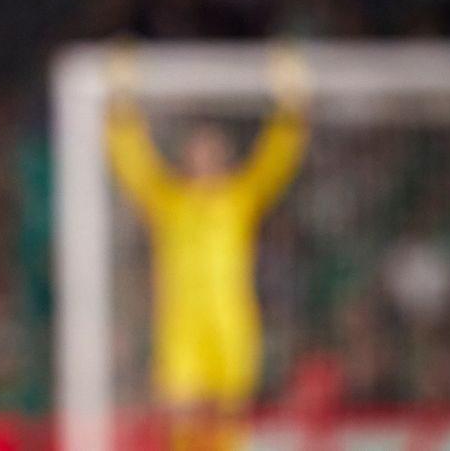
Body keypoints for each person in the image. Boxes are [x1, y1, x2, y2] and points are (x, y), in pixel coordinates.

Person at [105, 47, 308, 451]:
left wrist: (292, 107)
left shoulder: (239, 198)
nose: (202, 156)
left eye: (210, 149)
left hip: (232, 326)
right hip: (179, 330)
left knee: (228, 432)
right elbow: (132, 162)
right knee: (180, 431)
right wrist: (121, 106)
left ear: (223, 156)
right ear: (186, 155)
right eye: (196, 149)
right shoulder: (168, 200)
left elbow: (276, 161)